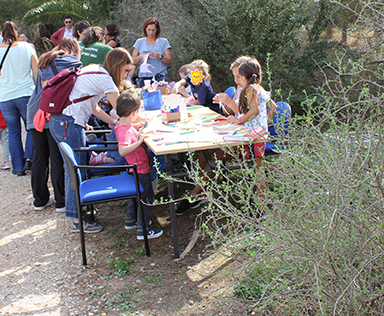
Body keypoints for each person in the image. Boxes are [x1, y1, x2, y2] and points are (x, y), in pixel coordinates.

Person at [49, 50, 131, 233]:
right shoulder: (105, 79)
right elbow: (122, 109)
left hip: (61, 121)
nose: (127, 74)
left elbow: (93, 106)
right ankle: (77, 219)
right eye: (126, 69)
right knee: (75, 170)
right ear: (118, 65)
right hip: (70, 123)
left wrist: (112, 122)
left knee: (75, 168)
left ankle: (79, 212)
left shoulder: (94, 69)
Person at [176, 56, 270, 215]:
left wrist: (241, 117)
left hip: (250, 140)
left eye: (238, 76)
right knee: (206, 152)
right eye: (235, 76)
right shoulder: (244, 88)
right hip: (242, 135)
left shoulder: (251, 89)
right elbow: (238, 112)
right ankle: (200, 191)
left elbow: (251, 112)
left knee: (212, 155)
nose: (236, 80)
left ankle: (195, 194)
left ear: (246, 75)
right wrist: (225, 104)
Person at [26, 37, 81, 212]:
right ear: (74, 49)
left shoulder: (46, 60)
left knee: (39, 156)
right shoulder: (72, 63)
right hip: (52, 112)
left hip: (35, 112)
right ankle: (61, 200)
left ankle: (40, 200)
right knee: (56, 156)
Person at [0, 21, 38, 176]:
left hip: (5, 96)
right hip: (26, 93)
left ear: (1, 34)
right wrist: (39, 92)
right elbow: (36, 72)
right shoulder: (27, 47)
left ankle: (17, 167)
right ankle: (29, 158)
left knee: (13, 132)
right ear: (16, 32)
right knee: (31, 128)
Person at [115, 90, 163, 240]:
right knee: (147, 198)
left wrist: (136, 128)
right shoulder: (125, 132)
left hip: (134, 169)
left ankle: (131, 220)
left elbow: (127, 129)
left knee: (136, 195)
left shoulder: (121, 125)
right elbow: (122, 150)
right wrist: (139, 141)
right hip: (141, 169)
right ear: (134, 113)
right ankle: (144, 229)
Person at [131, 17, 172, 87]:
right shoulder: (139, 42)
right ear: (145, 30)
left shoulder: (164, 42)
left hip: (159, 77)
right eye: (149, 30)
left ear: (157, 30)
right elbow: (132, 61)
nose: (151, 32)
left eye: (153, 30)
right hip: (144, 78)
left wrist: (160, 55)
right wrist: (141, 57)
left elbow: (169, 61)